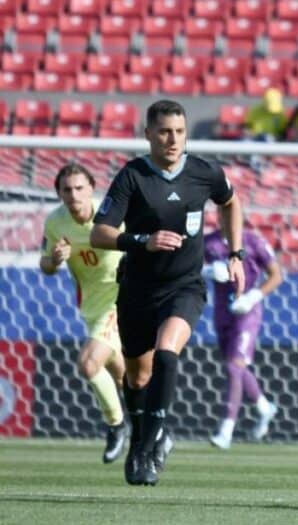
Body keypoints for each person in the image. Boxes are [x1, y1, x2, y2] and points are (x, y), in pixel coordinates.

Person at [91, 100, 245, 486]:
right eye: (163, 131)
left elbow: (230, 202)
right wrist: (142, 240)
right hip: (138, 289)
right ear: (148, 135)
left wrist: (235, 253)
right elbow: (100, 233)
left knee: (167, 353)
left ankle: (151, 446)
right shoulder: (132, 176)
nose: (172, 139)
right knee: (138, 378)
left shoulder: (204, 172)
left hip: (185, 286)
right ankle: (141, 437)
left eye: (178, 131)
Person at [39, 163, 128, 464]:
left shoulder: (113, 214)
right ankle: (150, 424)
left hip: (120, 301)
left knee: (89, 364)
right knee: (125, 378)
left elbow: (137, 245)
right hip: (90, 306)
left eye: (80, 188)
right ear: (59, 194)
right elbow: (45, 266)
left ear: (92, 188)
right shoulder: (55, 223)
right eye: (67, 189)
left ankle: (116, 425)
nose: (74, 194)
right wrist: (54, 260)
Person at [204, 223, 283, 449]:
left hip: (247, 312)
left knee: (233, 367)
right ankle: (264, 407)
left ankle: (226, 430)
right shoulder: (209, 243)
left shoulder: (253, 241)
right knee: (235, 366)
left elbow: (276, 275)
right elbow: (187, 266)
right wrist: (207, 271)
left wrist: (252, 298)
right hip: (222, 312)